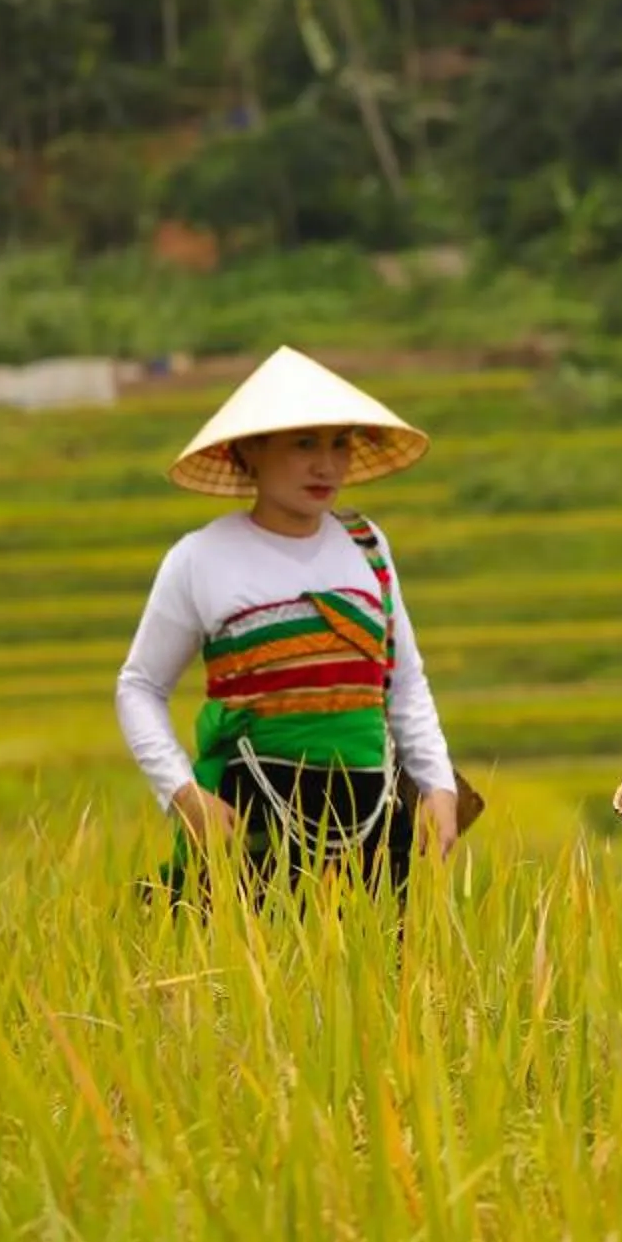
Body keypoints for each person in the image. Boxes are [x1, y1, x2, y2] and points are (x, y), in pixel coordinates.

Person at [116, 346, 464, 900]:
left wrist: (438, 785)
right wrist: (183, 795)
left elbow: (404, 683)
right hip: (252, 816)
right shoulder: (202, 557)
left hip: (371, 819)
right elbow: (140, 687)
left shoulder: (366, 546)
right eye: (304, 445)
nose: (326, 465)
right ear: (249, 451)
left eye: (339, 443)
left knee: (376, 976)